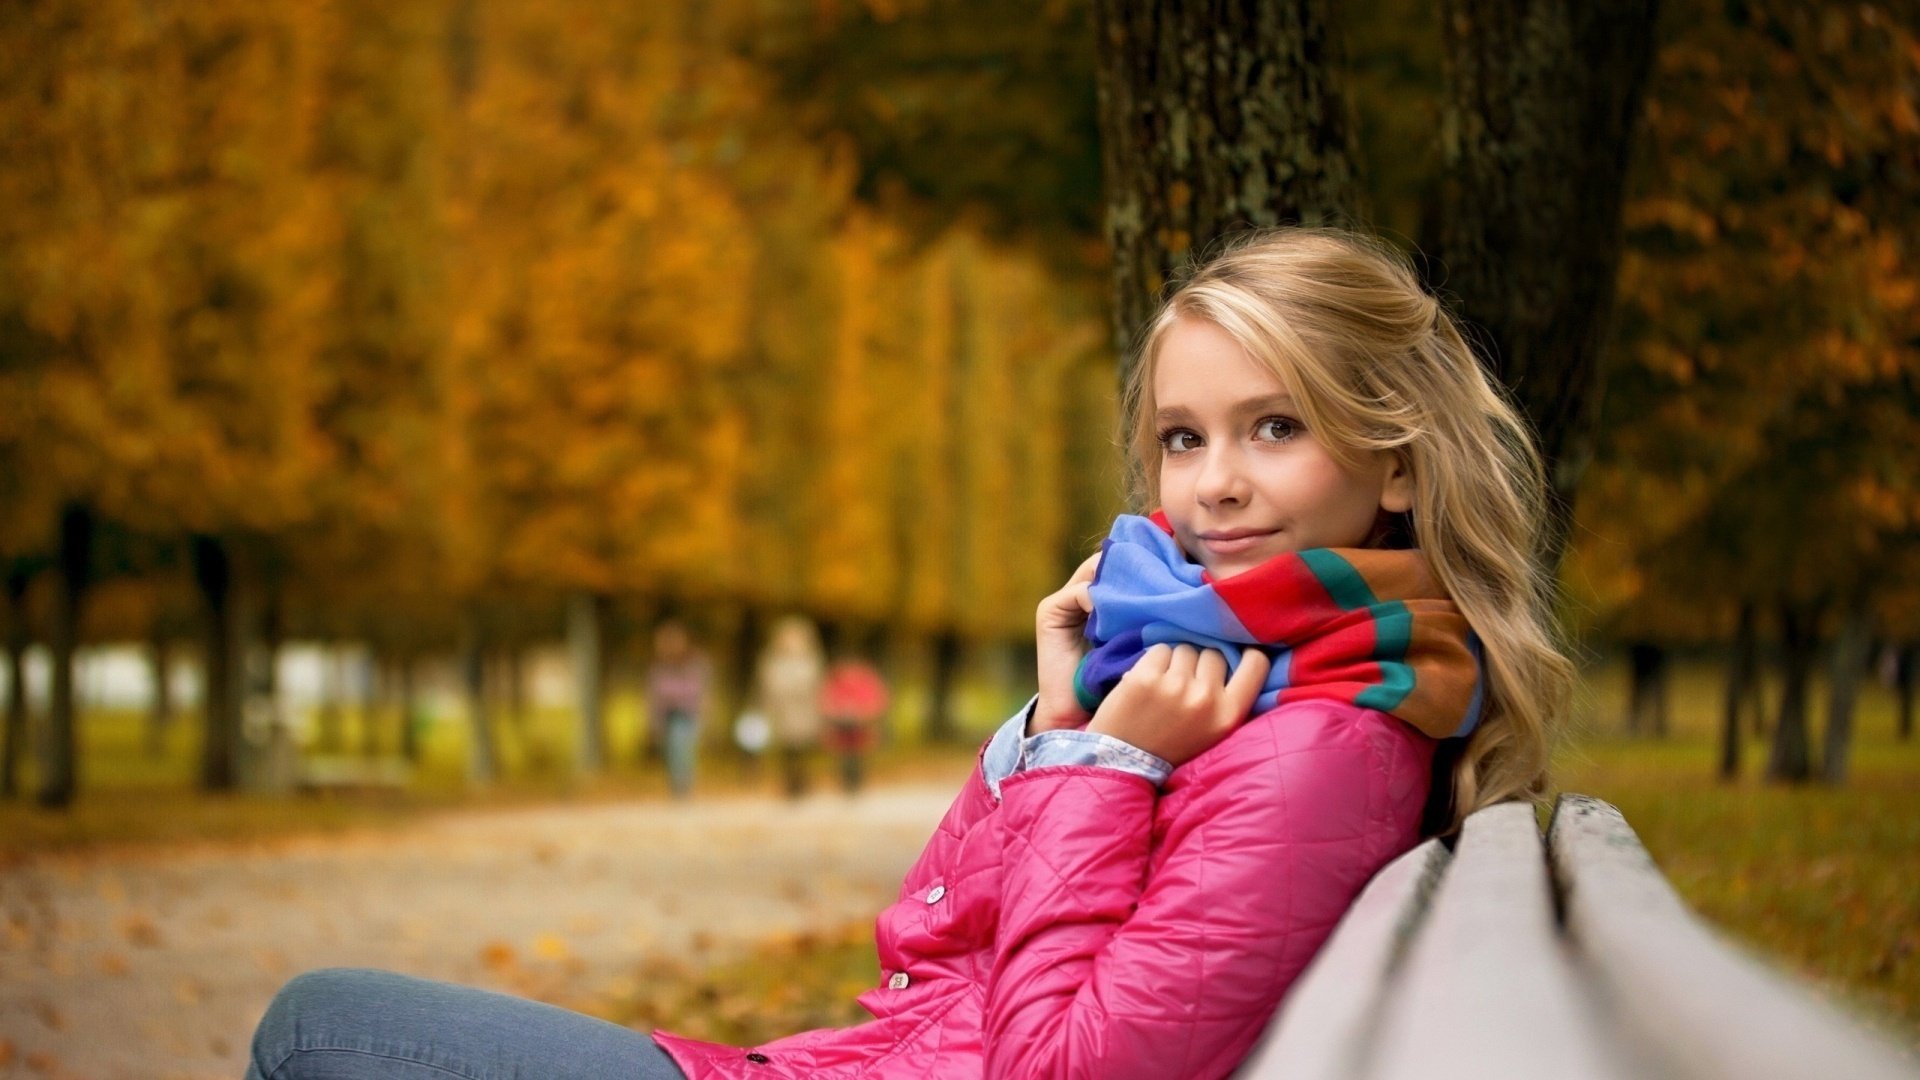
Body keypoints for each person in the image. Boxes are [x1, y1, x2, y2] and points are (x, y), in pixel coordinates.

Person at [244, 227, 1572, 1080]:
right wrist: (1056, 727)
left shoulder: (1316, 741)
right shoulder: (1242, 682)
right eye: (1183, 438)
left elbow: (1051, 1068)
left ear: (1393, 462)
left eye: (1274, 427)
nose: (1213, 486)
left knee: (322, 1032)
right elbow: (927, 945)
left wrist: (1093, 759)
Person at [755, 615, 826, 799]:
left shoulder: (810, 661)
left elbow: (816, 686)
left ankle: (800, 781)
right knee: (787, 749)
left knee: (801, 748)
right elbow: (767, 687)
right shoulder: (772, 661)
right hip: (783, 711)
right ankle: (791, 782)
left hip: (803, 711)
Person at [645, 620, 710, 799]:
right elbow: (654, 693)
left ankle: (684, 784)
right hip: (668, 714)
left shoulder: (694, 663)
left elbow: (698, 689)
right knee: (672, 749)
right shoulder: (659, 666)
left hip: (688, 712)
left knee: (683, 747)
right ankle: (677, 783)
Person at [819, 654, 890, 793]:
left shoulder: (864, 680)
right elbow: (826, 701)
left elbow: (876, 701)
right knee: (845, 756)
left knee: (857, 756)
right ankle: (848, 781)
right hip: (841, 727)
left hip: (860, 727)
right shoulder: (837, 682)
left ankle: (855, 781)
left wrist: (862, 712)